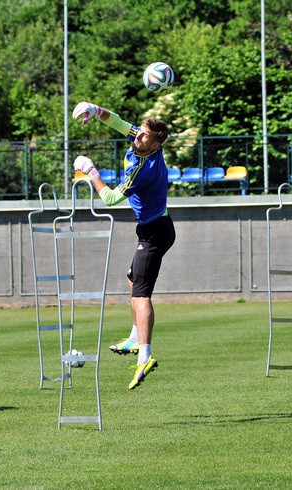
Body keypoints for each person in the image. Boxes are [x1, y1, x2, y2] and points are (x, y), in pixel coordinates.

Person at [72, 101, 176, 390]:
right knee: (132, 279)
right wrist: (96, 110)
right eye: (139, 132)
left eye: (144, 135)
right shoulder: (148, 142)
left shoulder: (142, 169)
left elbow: (109, 200)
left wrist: (90, 171)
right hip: (156, 228)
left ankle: (145, 354)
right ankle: (133, 337)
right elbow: (119, 123)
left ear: (156, 144)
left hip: (155, 233)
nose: (138, 137)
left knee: (140, 295)